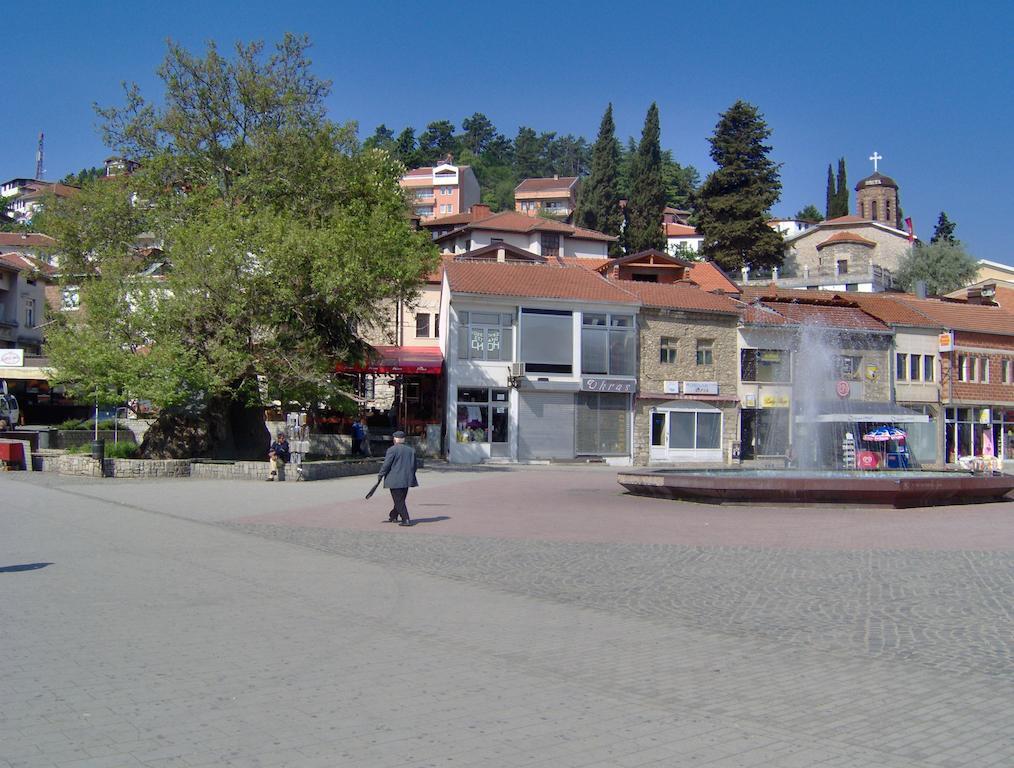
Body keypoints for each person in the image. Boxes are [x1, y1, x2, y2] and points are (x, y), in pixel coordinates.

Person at [378, 430, 417, 526]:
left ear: (395, 439)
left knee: (399, 500)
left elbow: (387, 465)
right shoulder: (411, 450)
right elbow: (414, 466)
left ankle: (406, 519)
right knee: (400, 499)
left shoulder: (392, 450)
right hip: (407, 479)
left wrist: (380, 474)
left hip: (395, 480)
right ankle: (393, 515)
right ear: (403, 439)